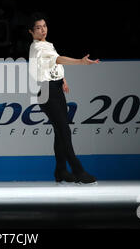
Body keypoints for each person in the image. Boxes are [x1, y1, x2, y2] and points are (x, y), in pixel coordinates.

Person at [28, 12, 100, 184]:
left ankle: (60, 170)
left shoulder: (47, 45)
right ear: (31, 31)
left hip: (54, 88)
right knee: (64, 131)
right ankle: (78, 171)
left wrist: (62, 80)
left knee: (60, 132)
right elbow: (58, 59)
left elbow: (53, 64)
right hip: (46, 90)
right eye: (38, 28)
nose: (43, 30)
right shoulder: (38, 47)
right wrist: (80, 62)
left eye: (44, 26)